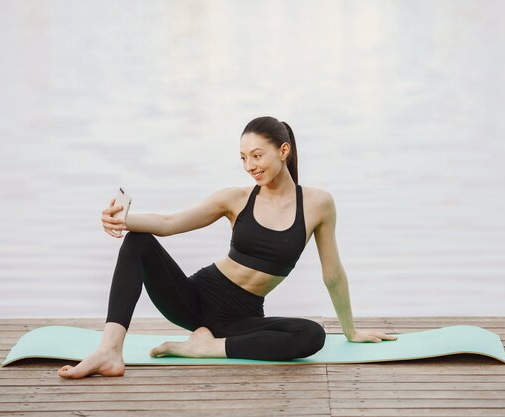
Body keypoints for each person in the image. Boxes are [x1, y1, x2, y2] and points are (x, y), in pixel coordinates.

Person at [58, 116, 397, 379]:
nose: (250, 165)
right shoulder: (234, 199)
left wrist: (351, 331)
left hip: (242, 320)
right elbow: (170, 223)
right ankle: (109, 351)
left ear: (283, 151)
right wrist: (123, 220)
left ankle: (205, 348)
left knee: (311, 335)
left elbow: (333, 273)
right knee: (138, 242)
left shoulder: (318, 204)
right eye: (243, 158)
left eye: (257, 155)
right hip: (193, 301)